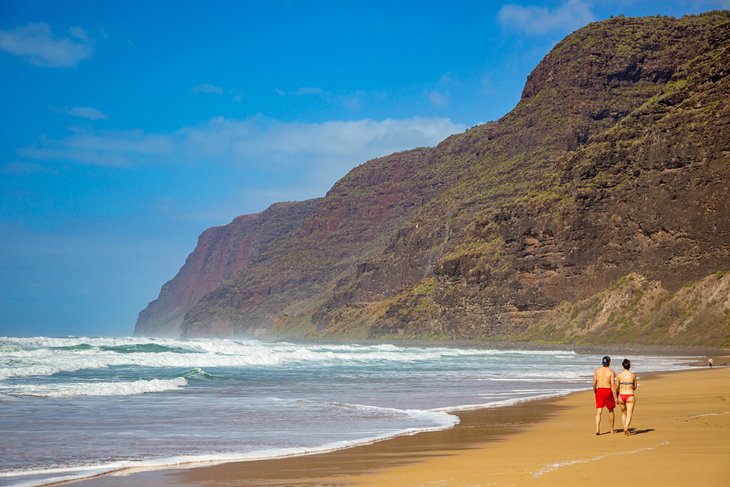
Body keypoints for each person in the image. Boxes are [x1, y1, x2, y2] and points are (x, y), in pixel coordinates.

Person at [593, 355, 616, 435]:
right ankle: (612, 429)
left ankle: (597, 429)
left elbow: (594, 384)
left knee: (599, 411)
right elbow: (613, 385)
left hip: (599, 390)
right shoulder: (611, 372)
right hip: (607, 390)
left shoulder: (597, 370)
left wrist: (595, 390)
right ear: (609, 362)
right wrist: (615, 396)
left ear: (602, 362)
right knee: (611, 410)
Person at [616, 358, 637, 436]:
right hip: (630, 395)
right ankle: (626, 428)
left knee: (623, 413)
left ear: (623, 366)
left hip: (621, 395)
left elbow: (616, 387)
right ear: (629, 366)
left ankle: (624, 426)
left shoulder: (619, 375)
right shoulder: (633, 375)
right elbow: (635, 387)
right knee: (629, 413)